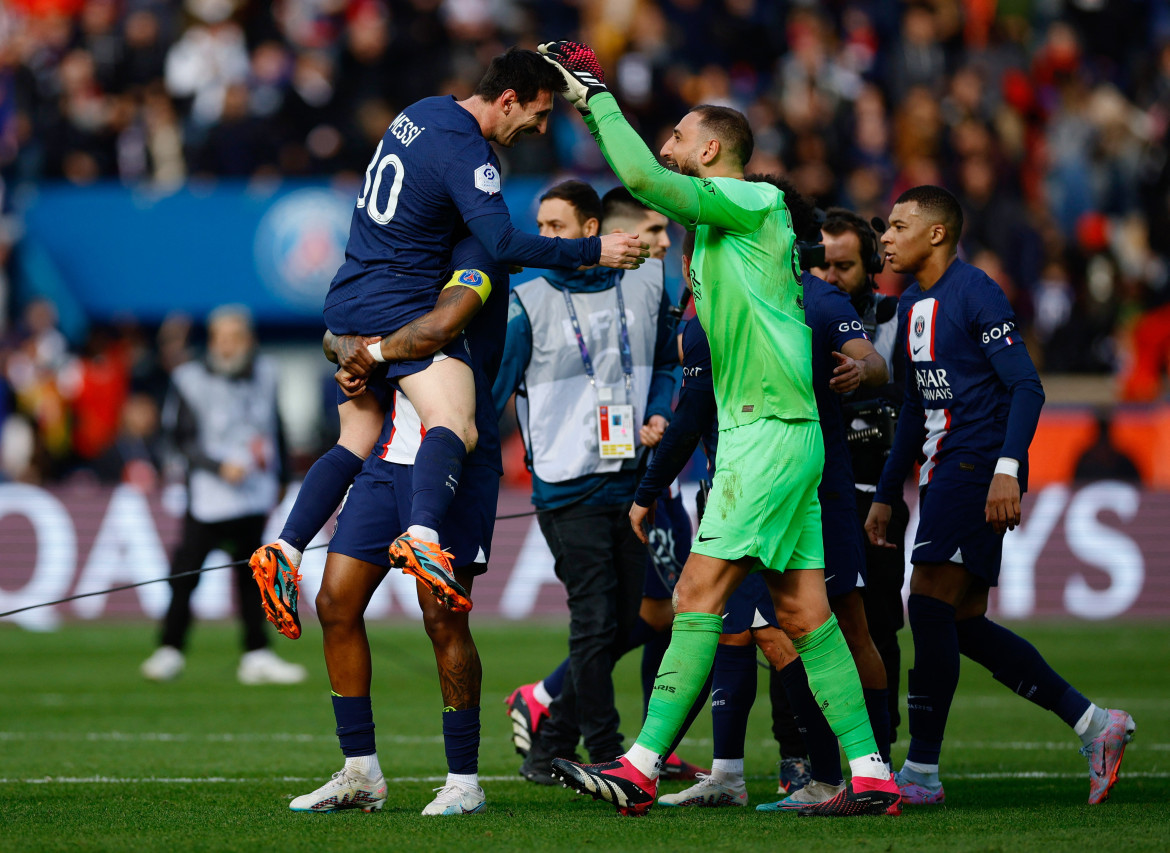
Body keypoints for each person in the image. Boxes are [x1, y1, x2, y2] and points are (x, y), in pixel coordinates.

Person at [538, 40, 900, 816]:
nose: (665, 146)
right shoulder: (715, 231)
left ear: (710, 150)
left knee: (697, 592)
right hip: (774, 434)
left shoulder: (753, 204)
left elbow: (639, 177)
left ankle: (637, 764)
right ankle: (869, 769)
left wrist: (595, 94)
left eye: (677, 136)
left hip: (765, 434)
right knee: (804, 611)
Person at [250, 47, 649, 634]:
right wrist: (594, 250)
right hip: (397, 306)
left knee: (355, 437)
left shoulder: (421, 111)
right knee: (456, 423)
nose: (539, 130)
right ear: (507, 99)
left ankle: (285, 547)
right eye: (537, 115)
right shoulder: (468, 148)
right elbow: (503, 242)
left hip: (347, 298)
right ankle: (423, 535)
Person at [864, 185, 1135, 806]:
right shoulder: (909, 304)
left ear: (936, 233)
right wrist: (887, 493)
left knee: (927, 605)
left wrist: (1006, 471)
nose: (887, 236)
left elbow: (1027, 386)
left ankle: (921, 774)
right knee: (962, 622)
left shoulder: (975, 291)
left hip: (978, 466)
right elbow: (911, 409)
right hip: (940, 475)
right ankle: (1097, 724)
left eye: (899, 226)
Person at [288, 238, 504, 816]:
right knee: (334, 602)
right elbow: (338, 342)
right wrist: (349, 360)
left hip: (455, 455)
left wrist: (364, 352)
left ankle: (465, 780)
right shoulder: (393, 267)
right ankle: (360, 773)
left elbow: (433, 335)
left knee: (442, 617)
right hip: (389, 460)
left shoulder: (473, 257)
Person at [504, 185, 704, 785]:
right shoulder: (528, 300)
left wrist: (662, 410)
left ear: (592, 227)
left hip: (631, 484)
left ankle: (549, 744)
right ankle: (609, 750)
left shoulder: (645, 283)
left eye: (558, 225)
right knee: (594, 623)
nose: (547, 236)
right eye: (540, 225)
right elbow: (491, 397)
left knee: (621, 625)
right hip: (566, 489)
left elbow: (667, 363)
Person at [141, 305, 306, 686]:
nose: (229, 346)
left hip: (253, 494)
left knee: (254, 577)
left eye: (236, 338)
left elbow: (275, 425)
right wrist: (218, 467)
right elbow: (179, 439)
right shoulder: (189, 378)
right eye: (222, 338)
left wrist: (283, 476)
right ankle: (170, 648)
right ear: (212, 341)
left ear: (249, 340)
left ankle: (257, 654)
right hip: (210, 497)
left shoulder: (266, 373)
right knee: (186, 574)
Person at [804, 208, 909, 749]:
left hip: (877, 497)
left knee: (878, 627)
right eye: (823, 264)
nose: (831, 276)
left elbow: (915, 402)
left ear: (870, 265)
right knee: (803, 627)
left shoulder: (896, 319)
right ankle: (802, 757)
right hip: (815, 493)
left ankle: (881, 751)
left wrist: (864, 385)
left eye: (844, 265)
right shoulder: (802, 312)